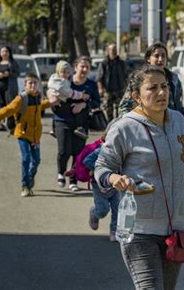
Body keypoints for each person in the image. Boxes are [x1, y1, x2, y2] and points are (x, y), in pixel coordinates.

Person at [94, 65, 184, 289]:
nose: (161, 93)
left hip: (176, 227)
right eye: (152, 88)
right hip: (139, 230)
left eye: (164, 86)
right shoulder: (124, 128)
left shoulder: (177, 120)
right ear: (136, 96)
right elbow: (102, 167)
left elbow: (180, 155)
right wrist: (115, 179)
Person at [0, 73, 52, 197]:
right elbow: (6, 110)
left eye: (35, 83)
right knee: (26, 158)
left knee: (36, 160)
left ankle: (30, 177)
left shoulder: (37, 97)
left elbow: (41, 106)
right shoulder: (21, 99)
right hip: (23, 133)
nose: (33, 85)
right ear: (25, 85)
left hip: (36, 136)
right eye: (30, 83)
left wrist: (52, 102)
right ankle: (25, 186)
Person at [52, 56, 99, 191]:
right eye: (81, 66)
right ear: (75, 67)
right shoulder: (66, 81)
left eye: (87, 67)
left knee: (77, 152)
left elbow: (97, 102)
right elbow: (52, 91)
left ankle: (73, 180)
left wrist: (84, 104)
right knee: (63, 151)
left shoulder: (91, 84)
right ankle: (61, 172)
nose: (84, 69)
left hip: (81, 123)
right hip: (63, 120)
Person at [118, 42, 184, 117]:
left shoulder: (174, 79)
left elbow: (178, 105)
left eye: (163, 56)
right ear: (148, 58)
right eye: (156, 56)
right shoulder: (140, 79)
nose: (160, 59)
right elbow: (124, 108)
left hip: (171, 125)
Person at [83, 135, 121, 242]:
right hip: (99, 186)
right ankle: (95, 213)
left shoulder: (121, 152)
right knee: (103, 210)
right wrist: (98, 169)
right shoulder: (100, 150)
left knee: (117, 209)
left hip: (115, 186)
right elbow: (87, 161)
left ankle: (114, 231)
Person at [47, 60, 89, 139]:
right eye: (63, 72)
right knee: (75, 109)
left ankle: (53, 129)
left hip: (58, 102)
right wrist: (81, 95)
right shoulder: (60, 82)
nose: (65, 74)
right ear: (58, 71)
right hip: (60, 102)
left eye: (67, 72)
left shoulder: (55, 78)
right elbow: (69, 93)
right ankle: (79, 128)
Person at [97, 43, 126, 121]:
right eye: (112, 50)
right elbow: (99, 77)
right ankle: (109, 125)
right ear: (108, 51)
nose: (114, 51)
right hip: (108, 90)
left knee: (119, 108)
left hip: (119, 89)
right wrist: (100, 89)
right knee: (108, 109)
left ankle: (118, 124)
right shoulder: (104, 63)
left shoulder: (121, 63)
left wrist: (126, 87)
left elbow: (126, 75)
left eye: (115, 50)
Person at [0, 46, 20, 131]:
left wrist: (9, 74)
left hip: (10, 88)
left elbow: (17, 74)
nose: (4, 53)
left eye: (6, 51)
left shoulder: (13, 63)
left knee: (10, 106)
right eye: (3, 52)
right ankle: (2, 124)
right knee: (1, 106)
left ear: (9, 53)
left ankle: (11, 125)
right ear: (0, 53)